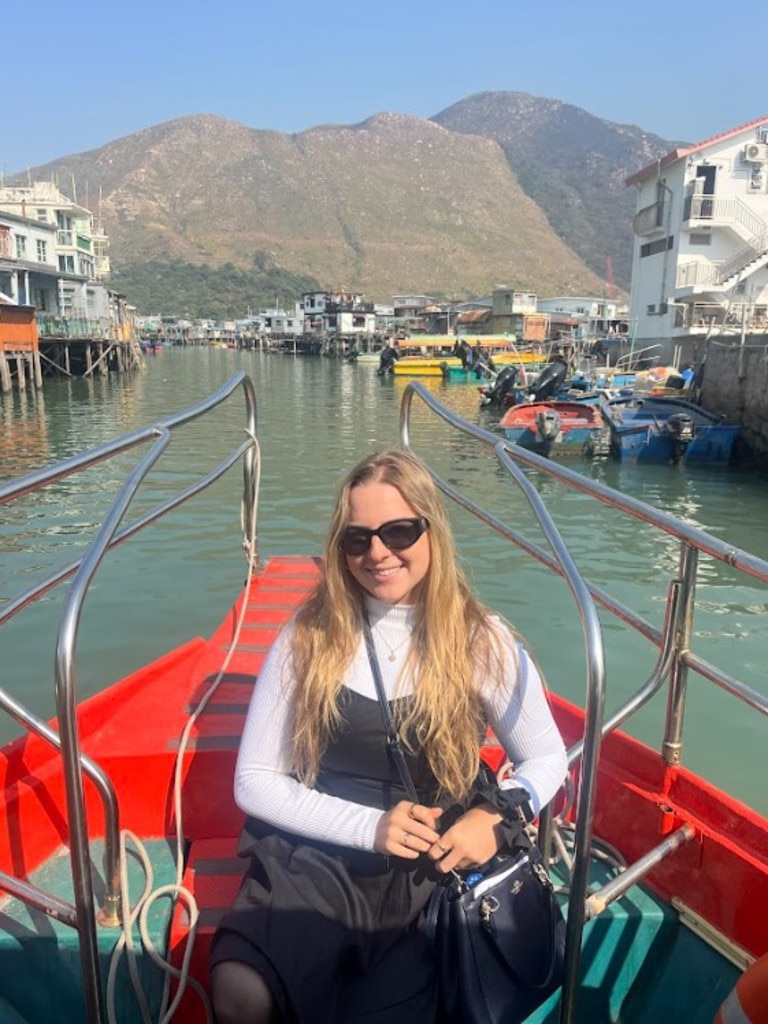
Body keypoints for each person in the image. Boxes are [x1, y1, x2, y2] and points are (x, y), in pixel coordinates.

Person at [209, 448, 569, 1024]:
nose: (378, 553)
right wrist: (368, 828)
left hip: (436, 856)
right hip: (324, 851)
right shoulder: (308, 637)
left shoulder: (482, 639)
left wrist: (494, 818)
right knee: (239, 993)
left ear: (431, 530)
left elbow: (548, 756)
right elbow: (254, 781)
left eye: (398, 531)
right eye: (358, 539)